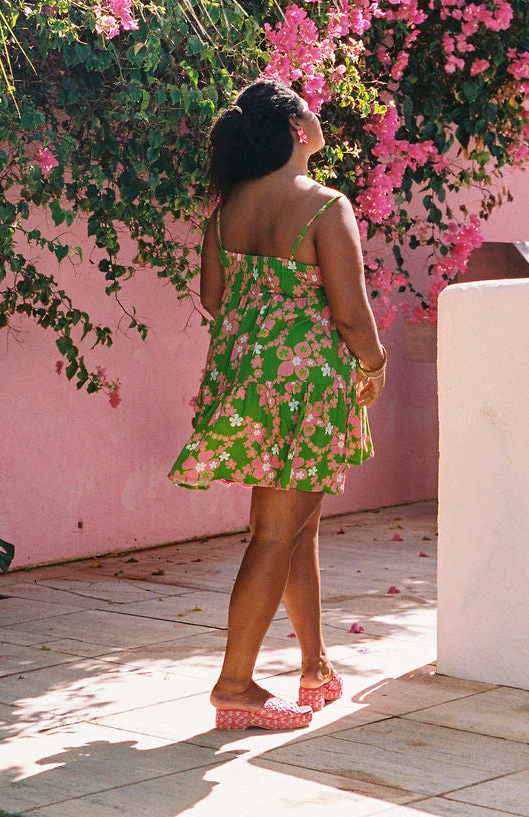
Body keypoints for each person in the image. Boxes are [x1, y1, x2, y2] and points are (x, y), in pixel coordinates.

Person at [168, 79, 387, 732]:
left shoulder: (227, 209)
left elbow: (213, 297)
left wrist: (263, 327)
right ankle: (235, 686)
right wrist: (374, 365)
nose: (320, 117)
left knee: (297, 527)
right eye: (310, 109)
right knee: (273, 533)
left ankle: (316, 667)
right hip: (308, 389)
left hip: (246, 383)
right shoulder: (324, 206)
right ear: (296, 128)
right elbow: (350, 313)